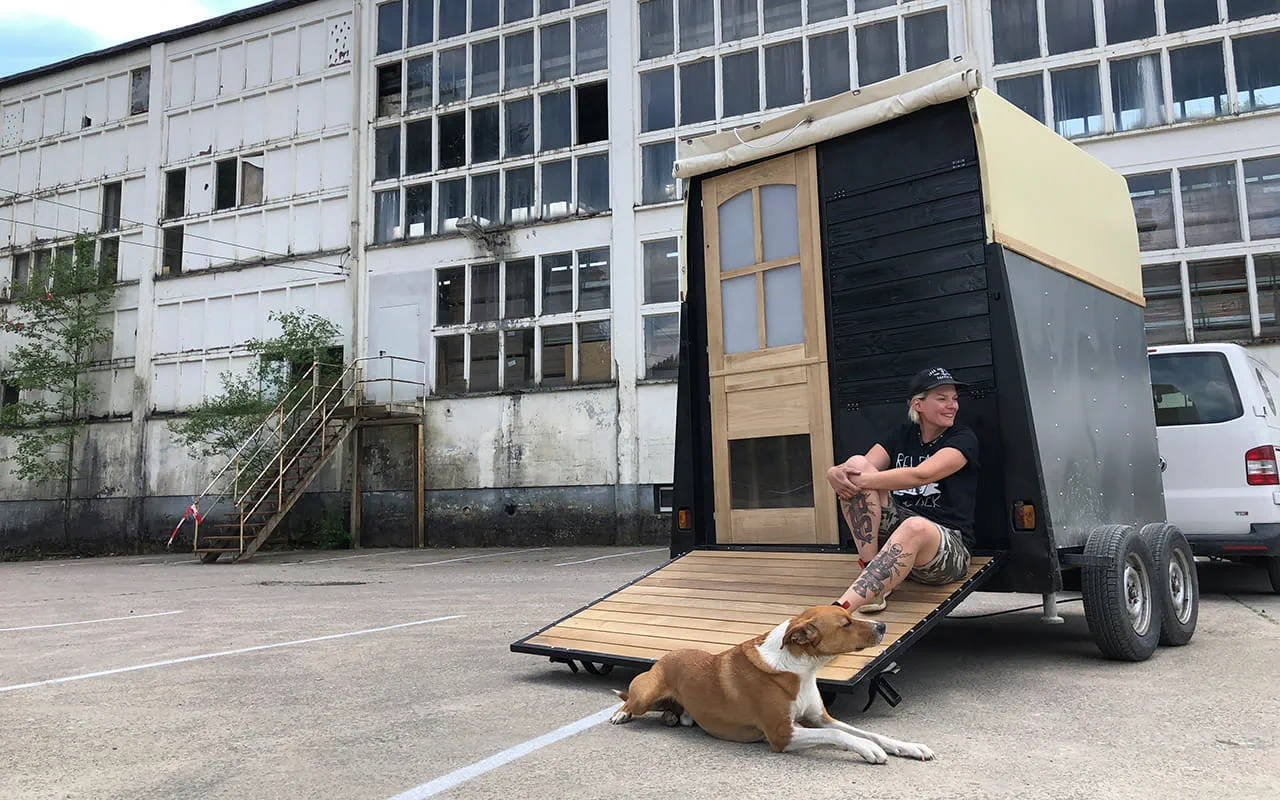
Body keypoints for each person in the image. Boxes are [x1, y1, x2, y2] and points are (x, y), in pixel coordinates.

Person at [825, 367, 979, 614]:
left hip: (948, 549)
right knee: (855, 464)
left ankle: (840, 610)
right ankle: (870, 569)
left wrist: (855, 480)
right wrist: (834, 473)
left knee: (914, 525)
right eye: (942, 398)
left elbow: (922, 475)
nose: (952, 406)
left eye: (954, 399)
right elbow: (858, 469)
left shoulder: (962, 438)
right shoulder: (902, 435)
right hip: (899, 542)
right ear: (918, 404)